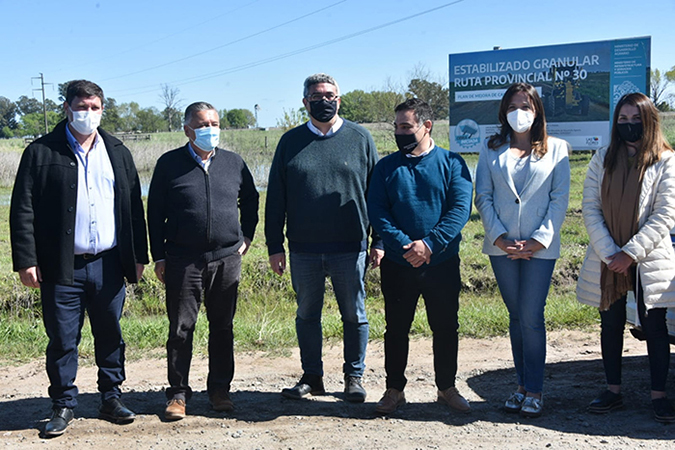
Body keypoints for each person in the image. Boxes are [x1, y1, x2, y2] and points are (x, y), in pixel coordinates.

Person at [10, 80, 148, 437]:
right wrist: (26, 259)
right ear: (67, 109)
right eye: (81, 107)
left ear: (103, 109)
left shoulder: (117, 151)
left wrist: (138, 256)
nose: (88, 114)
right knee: (62, 338)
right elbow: (22, 209)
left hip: (109, 262)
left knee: (110, 333)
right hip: (61, 266)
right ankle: (63, 404)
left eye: (95, 107)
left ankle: (111, 396)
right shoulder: (41, 152)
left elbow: (133, 208)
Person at [265, 73, 382, 403]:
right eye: (316, 97)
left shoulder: (361, 138)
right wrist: (275, 245)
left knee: (354, 314)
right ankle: (312, 377)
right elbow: (276, 198)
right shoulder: (290, 142)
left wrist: (380, 240)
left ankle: (354, 377)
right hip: (303, 248)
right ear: (305, 102)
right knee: (306, 315)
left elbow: (377, 194)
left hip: (351, 246)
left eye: (330, 95)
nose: (324, 101)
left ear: (339, 99)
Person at [147, 102, 259, 420]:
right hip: (184, 260)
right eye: (203, 124)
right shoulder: (169, 164)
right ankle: (178, 394)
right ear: (187, 129)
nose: (210, 129)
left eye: (215, 123)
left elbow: (251, 199)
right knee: (181, 329)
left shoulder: (234, 163)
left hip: (226, 259)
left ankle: (220, 390)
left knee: (223, 327)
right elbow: (154, 213)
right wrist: (159, 256)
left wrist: (246, 237)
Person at [367, 98, 473, 415]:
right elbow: (378, 212)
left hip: (440, 263)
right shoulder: (386, 168)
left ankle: (447, 387)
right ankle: (394, 390)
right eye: (397, 127)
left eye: (406, 126)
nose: (400, 132)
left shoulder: (453, 164)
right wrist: (405, 246)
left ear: (426, 126)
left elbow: (459, 210)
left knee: (445, 327)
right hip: (399, 265)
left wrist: (429, 244)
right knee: (396, 329)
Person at [577, 92, 675, 423]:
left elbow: (665, 214)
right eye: (622, 119)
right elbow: (589, 207)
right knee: (611, 323)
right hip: (608, 257)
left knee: (655, 326)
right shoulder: (602, 157)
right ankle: (613, 390)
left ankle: (659, 396)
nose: (629, 125)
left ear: (649, 122)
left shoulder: (666, 160)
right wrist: (610, 253)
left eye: (636, 120)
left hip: (648, 258)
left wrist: (631, 253)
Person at [474, 83, 571, 418]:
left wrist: (538, 240)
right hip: (501, 248)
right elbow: (483, 197)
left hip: (539, 250)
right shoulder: (490, 149)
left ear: (537, 110)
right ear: (504, 111)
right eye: (513, 106)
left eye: (526, 105)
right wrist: (500, 238)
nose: (520, 112)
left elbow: (559, 200)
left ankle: (535, 390)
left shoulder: (557, 149)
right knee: (515, 317)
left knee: (531, 316)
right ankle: (520, 386)